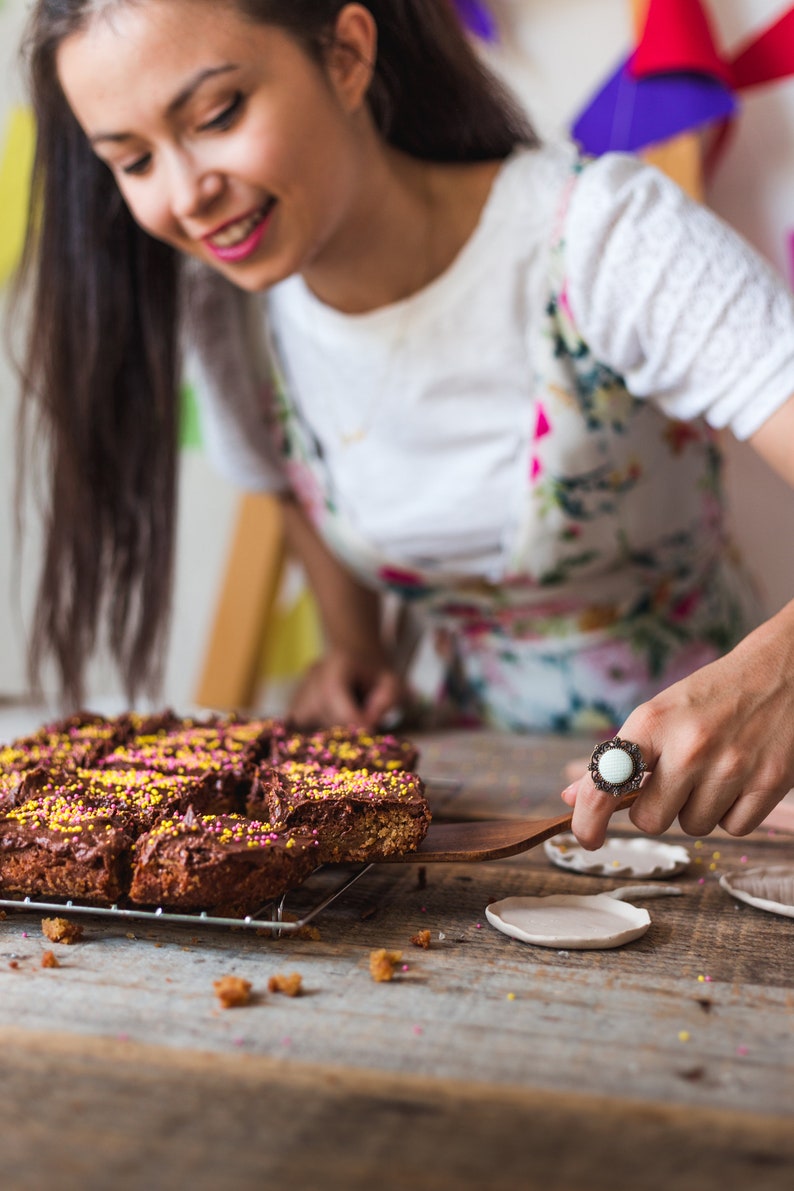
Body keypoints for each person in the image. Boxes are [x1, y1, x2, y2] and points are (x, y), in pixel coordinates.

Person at [13, 0, 794, 849]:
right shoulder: (230, 315)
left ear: (347, 54)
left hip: (738, 807)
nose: (186, 194)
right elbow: (291, 487)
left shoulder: (600, 238)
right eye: (131, 161)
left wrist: (777, 678)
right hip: (483, 806)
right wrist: (356, 654)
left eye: (217, 115)